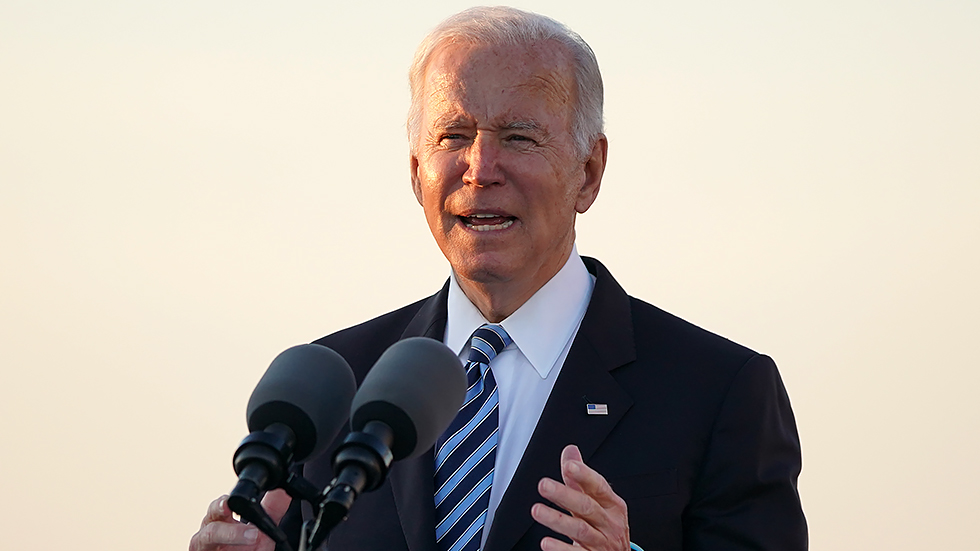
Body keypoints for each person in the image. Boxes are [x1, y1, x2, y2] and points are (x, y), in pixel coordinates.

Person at [189, 6, 806, 551]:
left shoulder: (720, 392)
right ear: (415, 173)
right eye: (453, 136)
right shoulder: (332, 389)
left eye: (519, 137)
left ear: (588, 172)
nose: (481, 168)